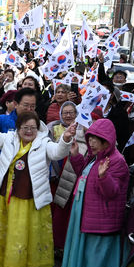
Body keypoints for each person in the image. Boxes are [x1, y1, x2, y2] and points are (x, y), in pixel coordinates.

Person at [0, 99, 74, 267]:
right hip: (5, 198)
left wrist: (66, 139)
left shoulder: (44, 143)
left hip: (30, 201)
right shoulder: (9, 139)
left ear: (38, 129)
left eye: (33, 128)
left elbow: (57, 153)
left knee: (22, 238)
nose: (29, 131)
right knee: (4, 236)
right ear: (18, 127)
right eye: (25, 127)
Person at [58, 118, 129, 267]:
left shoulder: (117, 161)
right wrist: (75, 156)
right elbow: (85, 174)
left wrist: (103, 176)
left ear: (107, 140)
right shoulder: (97, 158)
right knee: (88, 257)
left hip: (102, 221)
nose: (91, 143)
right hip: (88, 215)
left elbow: (112, 192)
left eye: (96, 139)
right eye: (90, 138)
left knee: (97, 261)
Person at [47, 102, 88, 254]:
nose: (68, 115)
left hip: (72, 179)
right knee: (57, 213)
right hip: (56, 177)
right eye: (65, 113)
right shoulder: (53, 127)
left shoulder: (83, 133)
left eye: (72, 112)